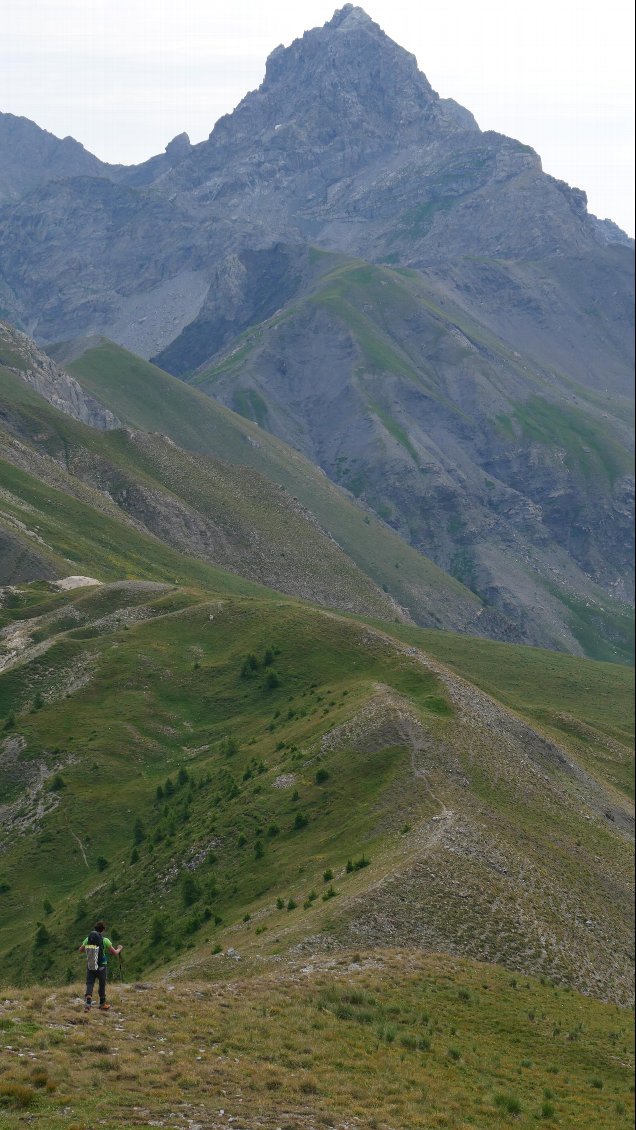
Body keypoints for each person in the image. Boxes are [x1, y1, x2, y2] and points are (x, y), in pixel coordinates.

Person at [79, 920, 123, 1011]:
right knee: (102, 984)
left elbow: (81, 950)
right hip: (102, 964)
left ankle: (88, 1002)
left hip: (91, 963)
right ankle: (102, 1003)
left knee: (90, 983)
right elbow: (114, 953)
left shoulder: (88, 939)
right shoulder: (105, 940)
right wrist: (119, 949)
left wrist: (90, 951)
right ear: (102, 930)